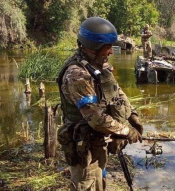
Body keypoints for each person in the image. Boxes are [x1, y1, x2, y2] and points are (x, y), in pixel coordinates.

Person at [57, 17, 143, 191]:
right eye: (107, 47)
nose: (111, 52)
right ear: (92, 47)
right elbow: (96, 119)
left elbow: (116, 91)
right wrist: (126, 131)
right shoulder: (77, 76)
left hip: (99, 143)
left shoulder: (98, 66)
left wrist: (132, 115)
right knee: (88, 184)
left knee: (101, 182)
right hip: (84, 151)